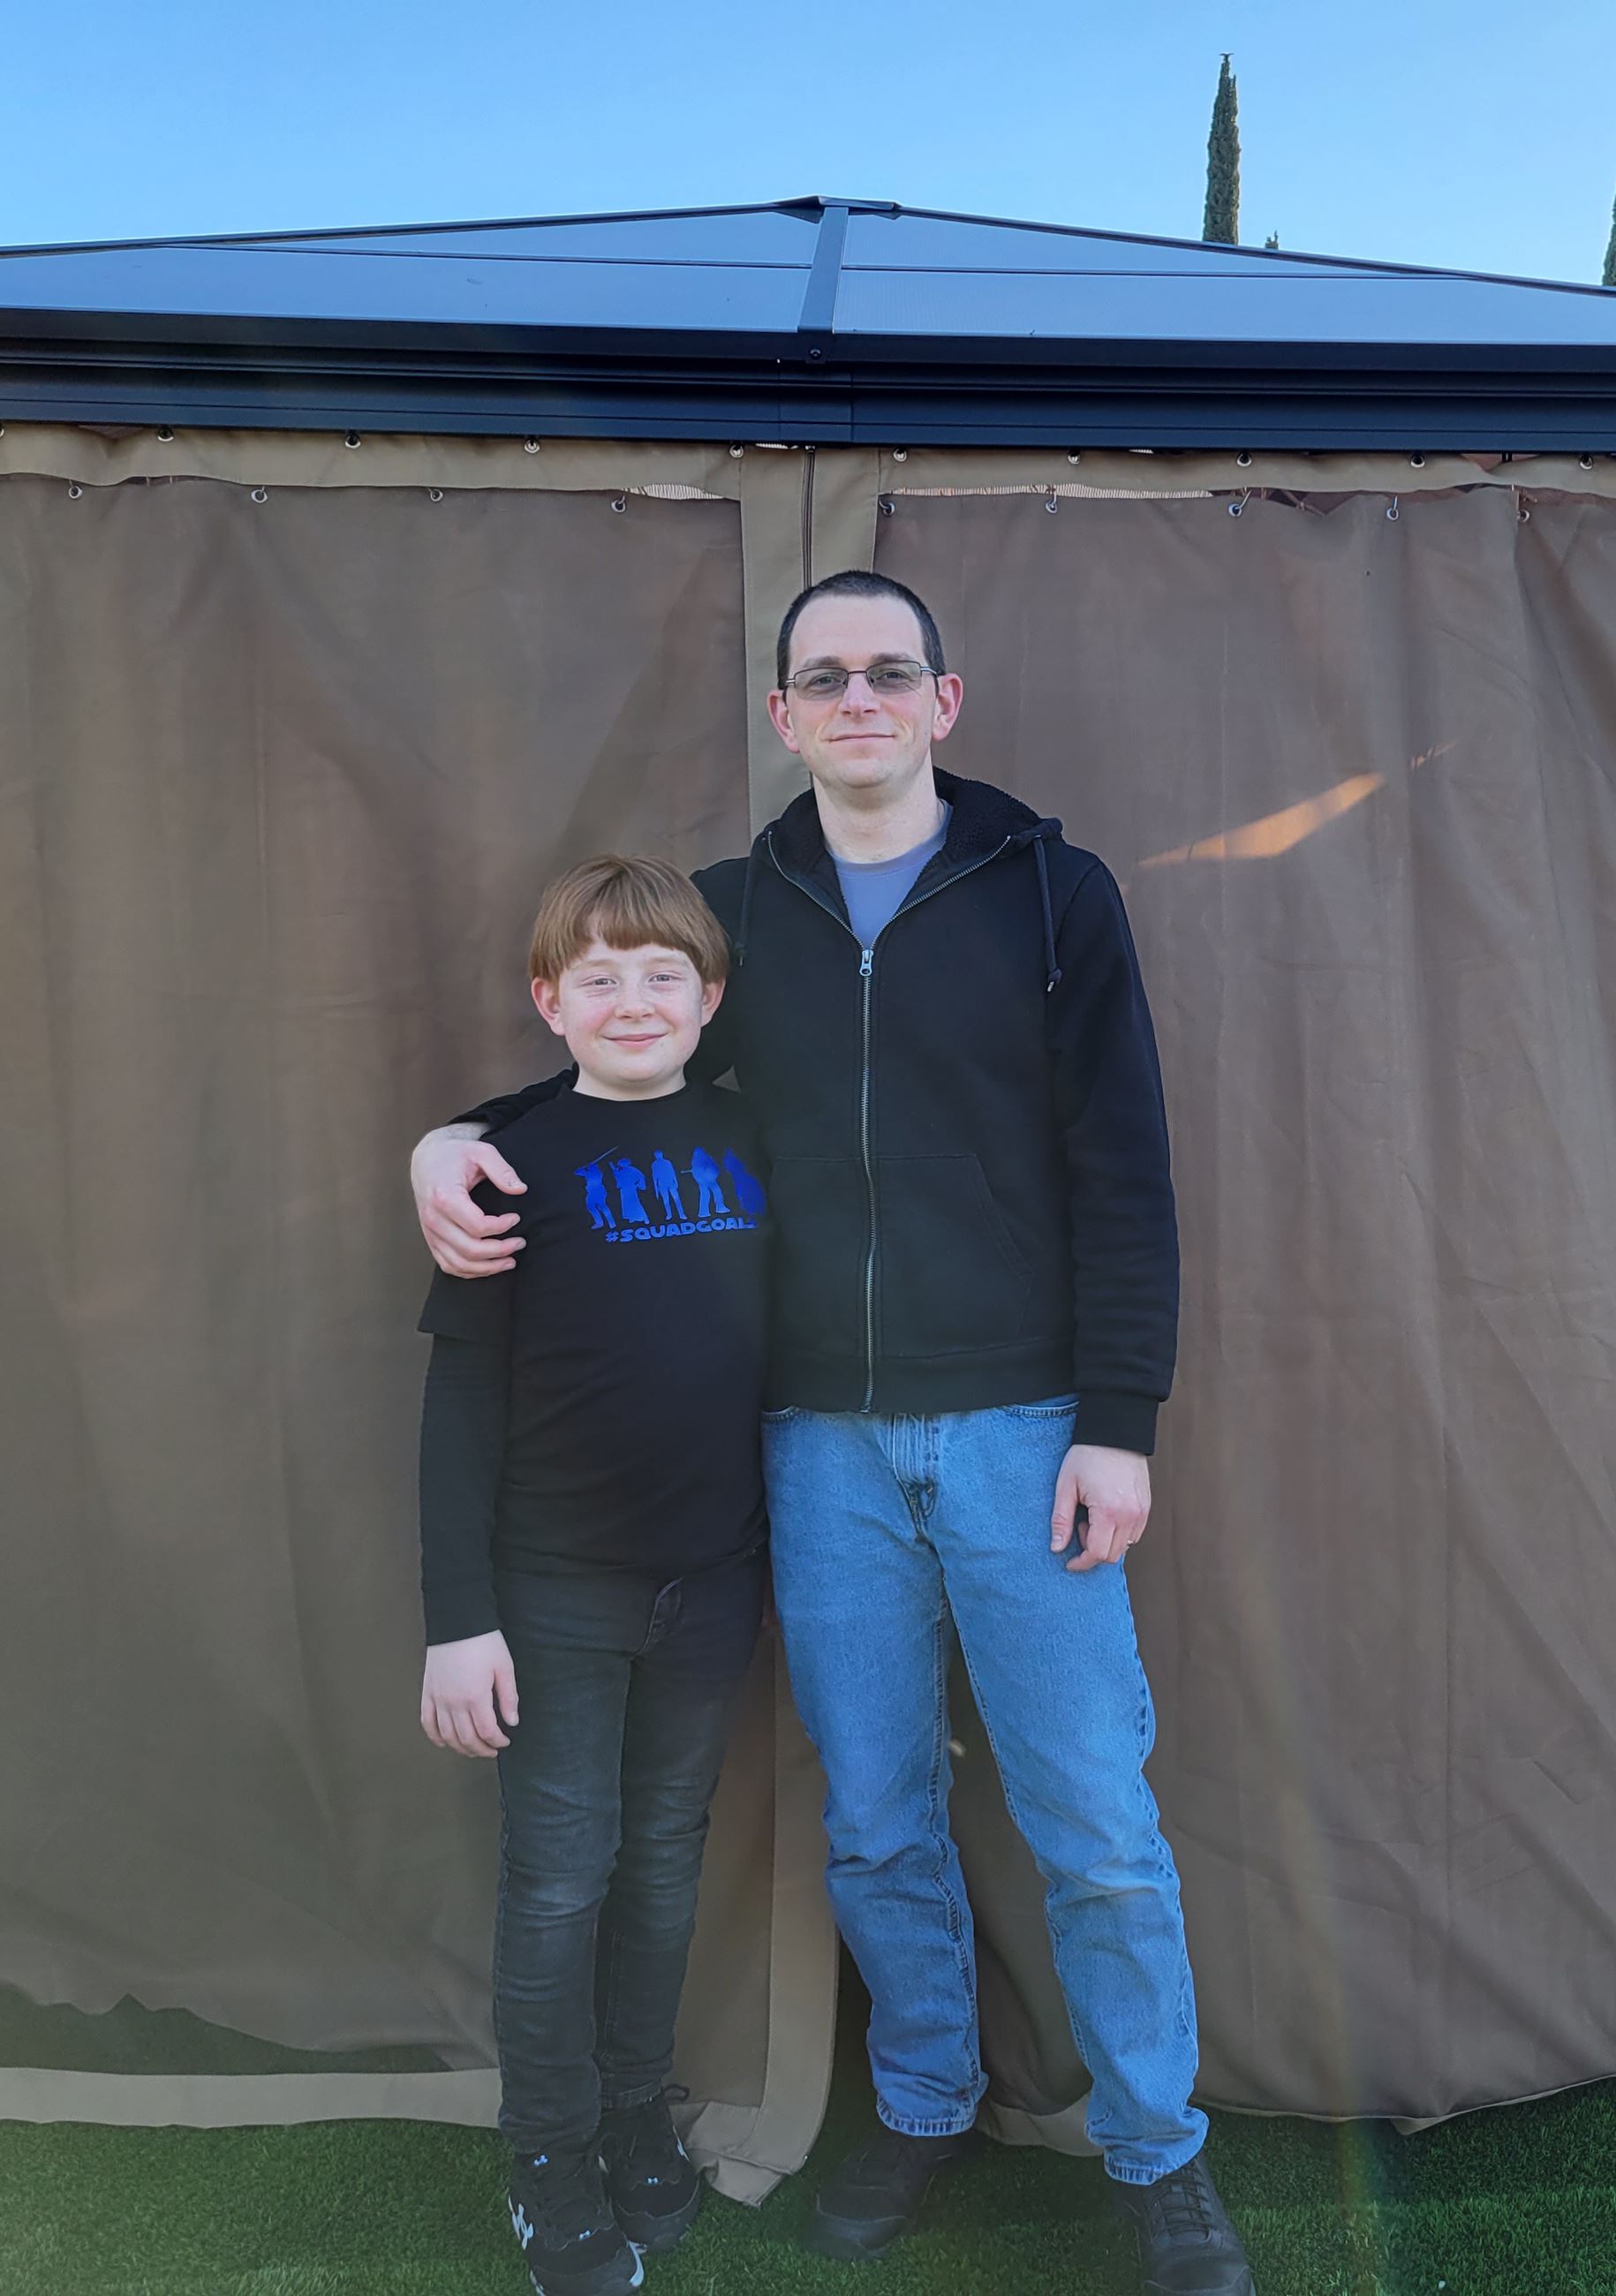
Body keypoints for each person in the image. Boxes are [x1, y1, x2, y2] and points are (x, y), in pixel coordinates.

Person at [412, 572, 1255, 2296]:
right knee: (873, 1814)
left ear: (945, 699)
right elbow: (619, 1053)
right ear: (785, 716)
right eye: (822, 676)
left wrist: (1120, 1419)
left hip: (1028, 1436)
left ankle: (1158, 2153)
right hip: (817, 1451)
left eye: (889, 670)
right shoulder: (740, 909)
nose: (856, 697)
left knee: (1090, 1809)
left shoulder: (1049, 895)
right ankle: (926, 2099)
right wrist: (449, 1137)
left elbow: (1127, 1164)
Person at [416, 854, 770, 2296]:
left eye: (663, 973)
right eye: (599, 976)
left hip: (711, 1591)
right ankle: (546, 2152)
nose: (634, 1000)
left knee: (664, 1868)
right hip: (553, 1599)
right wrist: (459, 1624)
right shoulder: (507, 1165)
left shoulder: (764, 1146)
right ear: (549, 1000)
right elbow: (456, 1416)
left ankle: (636, 2114)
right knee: (560, 1882)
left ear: (711, 999)